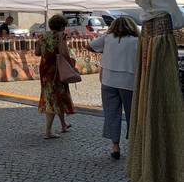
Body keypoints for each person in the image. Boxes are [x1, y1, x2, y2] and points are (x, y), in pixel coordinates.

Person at [87, 16, 139, 160]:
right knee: (132, 115)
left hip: (109, 81)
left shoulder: (107, 38)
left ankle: (115, 146)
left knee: (111, 114)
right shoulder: (137, 41)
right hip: (129, 82)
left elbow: (89, 46)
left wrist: (105, 52)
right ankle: (134, 146)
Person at [35, 14, 75, 139]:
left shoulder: (42, 36)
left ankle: (63, 124)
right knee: (53, 98)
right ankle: (48, 131)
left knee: (58, 96)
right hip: (57, 71)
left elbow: (37, 53)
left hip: (45, 69)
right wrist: (71, 65)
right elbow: (64, 53)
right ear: (62, 26)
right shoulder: (61, 36)